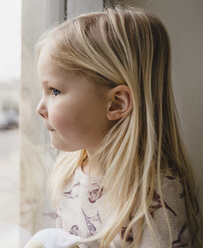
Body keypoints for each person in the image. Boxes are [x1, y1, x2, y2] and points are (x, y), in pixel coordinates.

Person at [27, 6, 203, 248]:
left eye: (54, 91)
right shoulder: (68, 173)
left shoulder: (155, 194)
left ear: (117, 103)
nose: (40, 107)